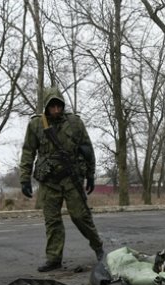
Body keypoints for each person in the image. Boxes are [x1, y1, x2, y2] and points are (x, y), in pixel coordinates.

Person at [19, 87, 104, 272]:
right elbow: (28, 151)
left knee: (81, 216)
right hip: (49, 180)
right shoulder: (36, 125)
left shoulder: (74, 123)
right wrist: (24, 178)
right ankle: (54, 258)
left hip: (71, 178)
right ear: (47, 107)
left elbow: (87, 149)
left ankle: (98, 247)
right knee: (52, 220)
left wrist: (90, 174)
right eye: (52, 106)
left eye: (59, 106)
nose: (56, 110)